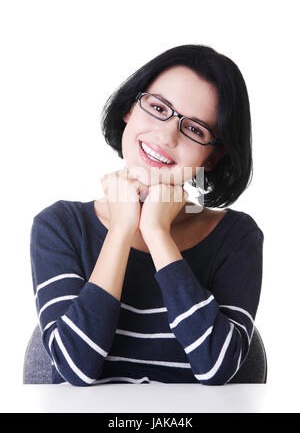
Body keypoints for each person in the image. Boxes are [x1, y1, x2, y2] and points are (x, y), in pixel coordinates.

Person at [30, 44, 264, 386]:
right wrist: (121, 230)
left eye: (195, 129)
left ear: (212, 158)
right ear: (129, 109)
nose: (167, 135)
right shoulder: (59, 226)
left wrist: (157, 233)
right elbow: (74, 367)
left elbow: (216, 368)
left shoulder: (236, 235)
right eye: (158, 108)